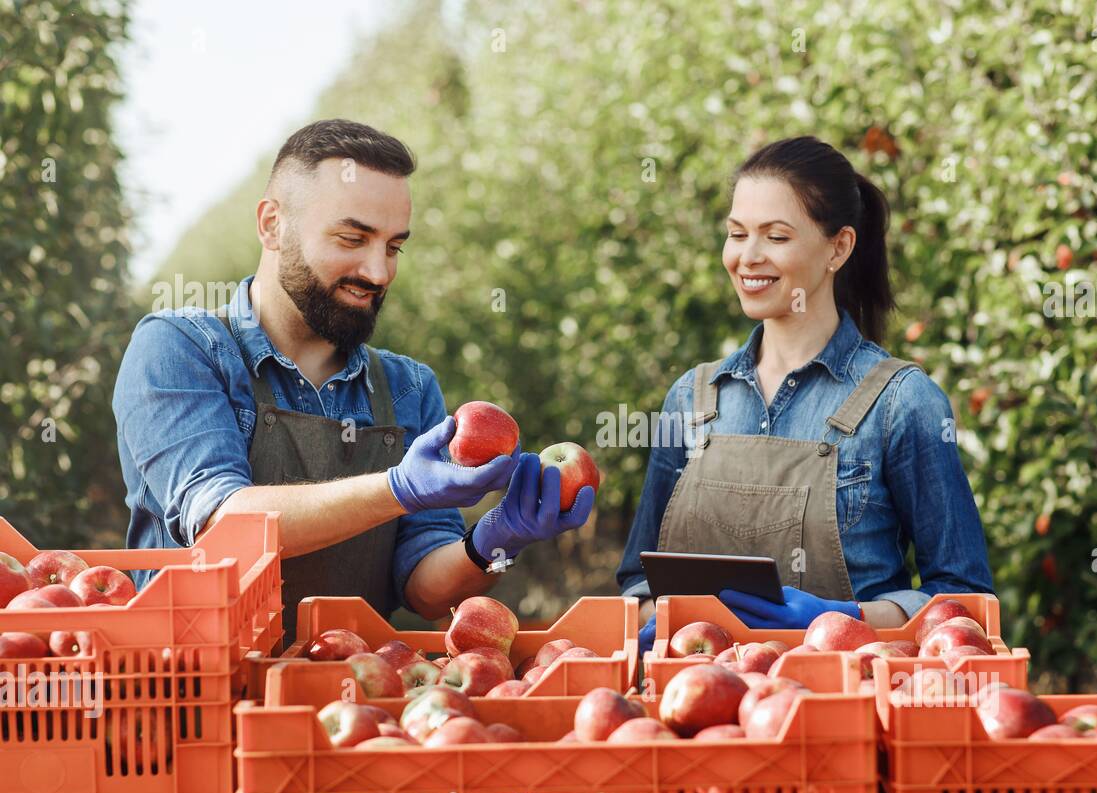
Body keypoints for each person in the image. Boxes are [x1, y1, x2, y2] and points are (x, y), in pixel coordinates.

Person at [113, 119, 593, 639]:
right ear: (272, 224)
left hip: (353, 698)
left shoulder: (408, 388)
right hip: (192, 694)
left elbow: (425, 593)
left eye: (393, 247)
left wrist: (495, 541)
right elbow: (225, 528)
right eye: (353, 238)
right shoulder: (180, 350)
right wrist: (398, 489)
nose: (378, 271)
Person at [616, 136, 994, 651]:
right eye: (736, 234)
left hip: (844, 704)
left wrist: (849, 617)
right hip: (702, 713)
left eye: (775, 237)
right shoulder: (692, 400)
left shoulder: (901, 402)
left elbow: (965, 601)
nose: (747, 257)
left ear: (838, 247)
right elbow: (636, 581)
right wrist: (659, 617)